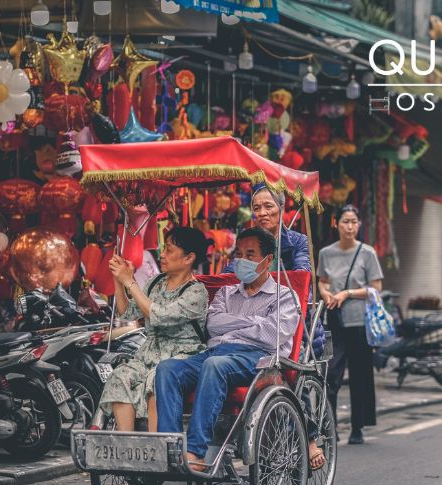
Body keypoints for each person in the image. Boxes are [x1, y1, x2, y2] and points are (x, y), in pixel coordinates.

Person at [156, 227, 300, 470]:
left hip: (258, 360)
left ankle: (195, 452)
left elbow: (272, 334)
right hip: (216, 353)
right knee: (167, 369)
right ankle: (169, 449)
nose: (241, 260)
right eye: (239, 254)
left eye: (250, 254)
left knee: (215, 365)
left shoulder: (284, 297)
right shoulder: (226, 292)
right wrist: (253, 323)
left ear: (268, 260)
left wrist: (233, 327)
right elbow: (213, 325)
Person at [226, 185, 327, 468]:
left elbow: (303, 277)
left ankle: (309, 437)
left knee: (289, 368)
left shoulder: (296, 241)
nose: (262, 212)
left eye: (268, 206)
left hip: (293, 322)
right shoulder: (248, 240)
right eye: (256, 207)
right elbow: (229, 271)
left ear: (281, 207)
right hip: (254, 317)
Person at [98, 227, 210, 432]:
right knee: (120, 376)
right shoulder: (155, 283)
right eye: (163, 249)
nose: (163, 255)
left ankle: (155, 447)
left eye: (169, 250)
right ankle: (127, 445)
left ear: (189, 258)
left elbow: (159, 315)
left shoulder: (196, 292)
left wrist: (130, 282)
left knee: (156, 379)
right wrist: (118, 281)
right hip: (149, 353)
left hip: (182, 356)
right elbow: (127, 313)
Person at [318, 204, 384, 445]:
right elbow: (322, 282)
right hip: (333, 320)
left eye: (354, 222)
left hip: (359, 322)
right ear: (336, 223)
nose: (349, 226)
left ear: (359, 225)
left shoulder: (367, 253)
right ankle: (331, 427)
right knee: (331, 375)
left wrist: (347, 293)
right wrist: (326, 295)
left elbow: (376, 289)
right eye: (345, 221)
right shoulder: (326, 253)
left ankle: (357, 428)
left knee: (359, 375)